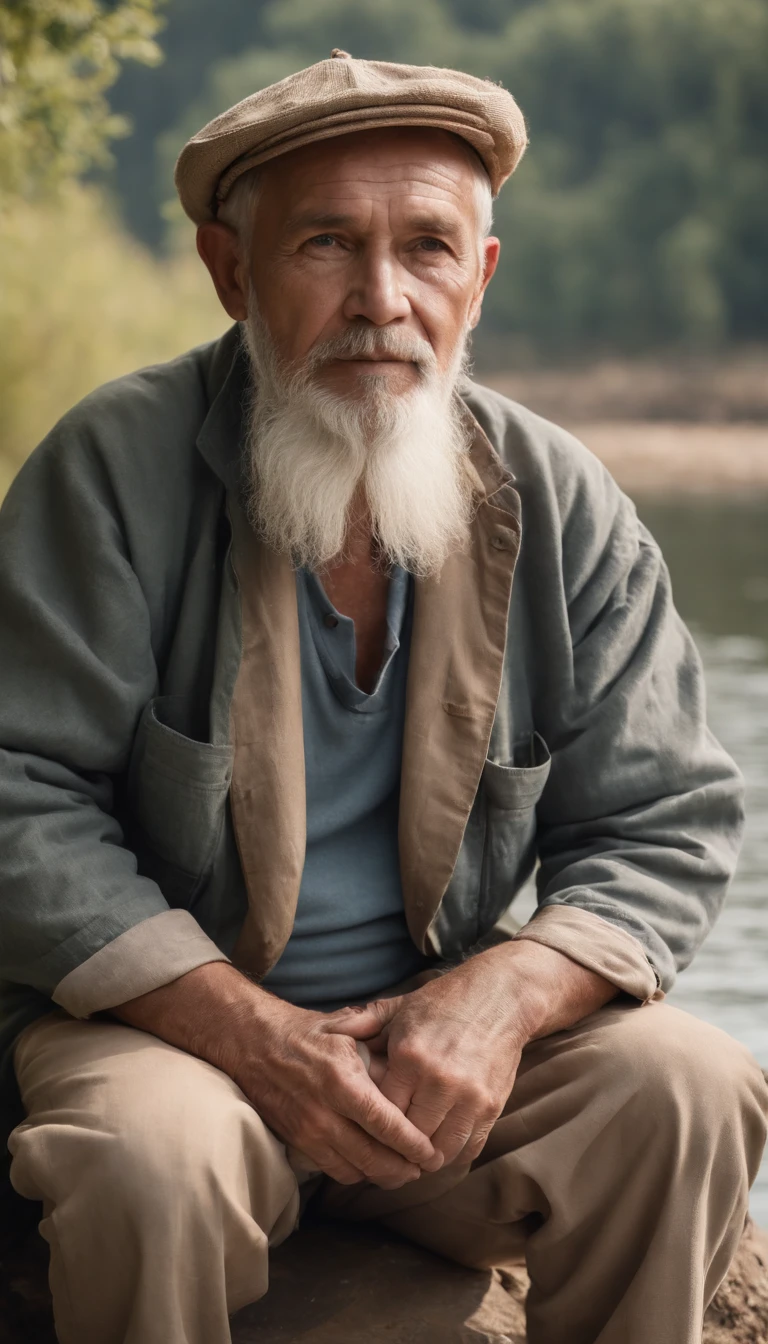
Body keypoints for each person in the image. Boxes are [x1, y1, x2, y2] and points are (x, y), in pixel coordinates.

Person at [0, 50, 765, 1344]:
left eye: (426, 247)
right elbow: (17, 798)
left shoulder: (562, 497)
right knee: (149, 1163)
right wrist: (248, 1036)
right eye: (325, 245)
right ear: (231, 272)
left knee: (685, 1084)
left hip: (440, 1067)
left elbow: (668, 819)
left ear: (482, 277)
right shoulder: (113, 466)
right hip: (169, 1043)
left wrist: (503, 995)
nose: (381, 298)